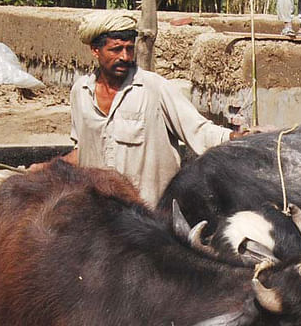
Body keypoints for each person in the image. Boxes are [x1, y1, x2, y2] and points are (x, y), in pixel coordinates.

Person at [51, 11, 254, 207]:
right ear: (95, 50)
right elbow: (83, 150)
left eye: (129, 49)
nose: (125, 56)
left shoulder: (155, 89)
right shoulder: (81, 92)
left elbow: (200, 131)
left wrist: (240, 138)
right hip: (100, 215)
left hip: (149, 217)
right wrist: (48, 168)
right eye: (116, 49)